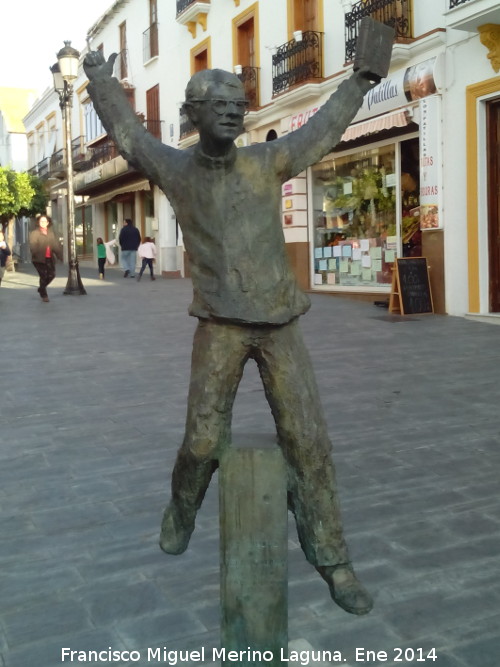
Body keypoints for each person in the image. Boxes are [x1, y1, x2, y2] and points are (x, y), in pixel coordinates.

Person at [85, 36, 389, 616]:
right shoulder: (174, 169)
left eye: (237, 101)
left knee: (309, 441)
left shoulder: (267, 160)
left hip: (279, 324)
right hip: (220, 326)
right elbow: (129, 136)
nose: (230, 108)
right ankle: (182, 508)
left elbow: (321, 131)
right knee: (202, 441)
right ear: (192, 113)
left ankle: (333, 560)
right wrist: (100, 80)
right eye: (216, 100)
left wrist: (361, 80)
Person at [29, 214, 63, 302]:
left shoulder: (51, 233)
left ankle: (41, 288)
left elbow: (55, 246)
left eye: (45, 221)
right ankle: (44, 294)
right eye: (41, 221)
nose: (43, 223)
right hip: (38, 259)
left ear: (48, 223)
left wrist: (60, 256)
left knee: (52, 275)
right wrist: (34, 252)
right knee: (43, 276)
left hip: (49, 258)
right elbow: (33, 245)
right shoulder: (35, 233)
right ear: (38, 222)